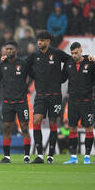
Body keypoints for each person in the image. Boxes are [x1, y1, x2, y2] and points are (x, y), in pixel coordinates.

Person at [25, 30, 71, 163]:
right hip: (40, 95)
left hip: (55, 95)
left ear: (48, 41)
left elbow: (69, 61)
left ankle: (50, 155)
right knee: (36, 121)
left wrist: (62, 77)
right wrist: (36, 77)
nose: (39, 42)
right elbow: (25, 67)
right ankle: (39, 155)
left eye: (42, 40)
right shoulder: (34, 55)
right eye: (38, 40)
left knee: (52, 122)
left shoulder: (56, 53)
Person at [61, 42, 95, 164]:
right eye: (72, 53)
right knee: (72, 128)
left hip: (87, 101)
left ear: (81, 51)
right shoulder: (68, 63)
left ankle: (87, 157)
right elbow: (62, 78)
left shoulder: (90, 63)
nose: (74, 55)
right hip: (73, 101)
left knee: (88, 127)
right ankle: (73, 157)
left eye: (76, 52)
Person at [0, 41, 32, 163]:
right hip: (7, 102)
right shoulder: (2, 64)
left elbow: (32, 75)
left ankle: (27, 155)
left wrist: (25, 88)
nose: (8, 51)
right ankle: (7, 156)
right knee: (6, 128)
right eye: (6, 49)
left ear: (16, 50)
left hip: (21, 101)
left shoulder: (23, 64)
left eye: (11, 49)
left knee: (24, 128)